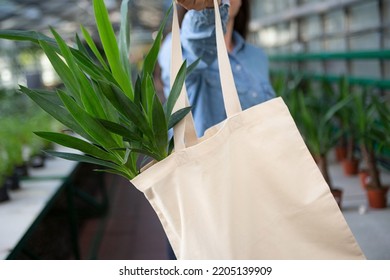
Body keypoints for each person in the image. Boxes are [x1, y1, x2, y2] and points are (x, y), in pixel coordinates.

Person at [158, 0, 276, 137]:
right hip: (206, 158)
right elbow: (195, 48)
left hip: (260, 154)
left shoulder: (257, 56)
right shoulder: (176, 48)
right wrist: (209, 7)